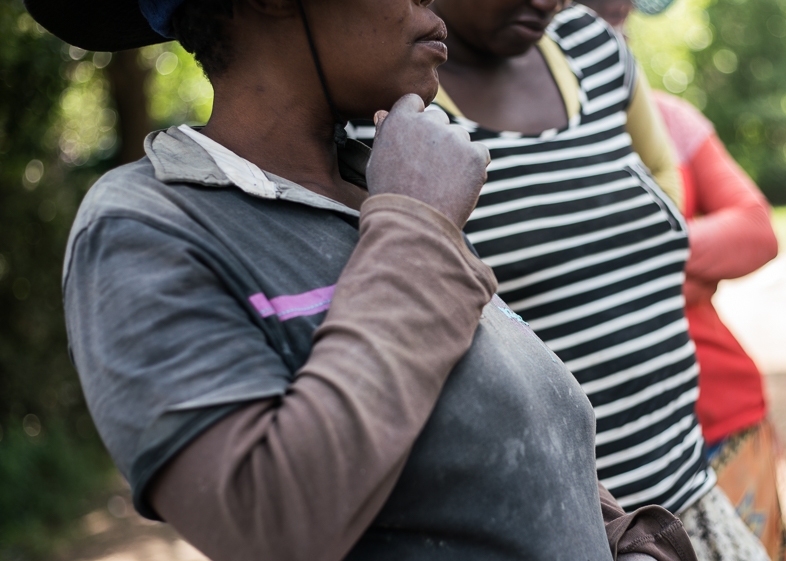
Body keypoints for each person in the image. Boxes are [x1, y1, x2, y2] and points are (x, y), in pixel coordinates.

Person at [26, 0, 699, 559]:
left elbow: (522, 459)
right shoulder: (147, 224)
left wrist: (627, 542)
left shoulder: (382, 187)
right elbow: (271, 521)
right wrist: (415, 227)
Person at [348, 1, 771, 559]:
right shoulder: (385, 107)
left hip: (689, 507)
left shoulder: (593, 47)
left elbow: (661, 176)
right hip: (571, 539)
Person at [574, 1, 786, 559]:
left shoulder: (670, 118)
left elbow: (756, 231)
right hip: (584, 460)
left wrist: (636, 255)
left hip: (719, 422)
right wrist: (684, 265)